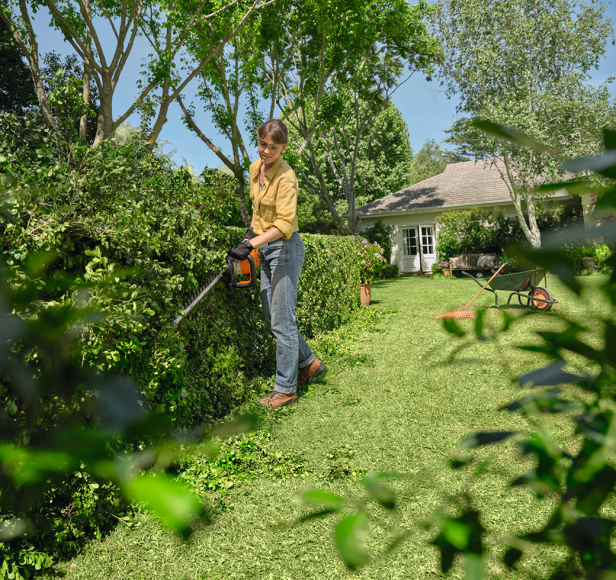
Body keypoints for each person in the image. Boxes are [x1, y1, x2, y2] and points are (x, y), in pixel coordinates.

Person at [228, 119, 326, 409]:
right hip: (266, 245)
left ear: (283, 147)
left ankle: (286, 388)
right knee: (272, 315)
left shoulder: (286, 177)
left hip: (285, 248)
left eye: (273, 146)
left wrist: (251, 245)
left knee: (283, 321)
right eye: (262, 143)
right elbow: (260, 214)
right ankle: (310, 363)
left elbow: (284, 223)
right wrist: (250, 234)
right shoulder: (253, 169)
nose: (266, 150)